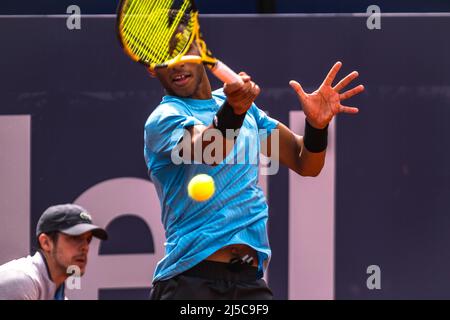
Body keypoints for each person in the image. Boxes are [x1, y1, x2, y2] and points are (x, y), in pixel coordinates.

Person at [144, 23, 364, 300]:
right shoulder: (163, 119)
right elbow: (210, 149)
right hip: (190, 281)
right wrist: (234, 110)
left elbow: (305, 162)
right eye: (164, 58)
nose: (176, 64)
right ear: (152, 69)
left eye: (182, 49)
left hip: (248, 280)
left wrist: (317, 126)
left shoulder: (245, 111)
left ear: (199, 48)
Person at [0, 204, 108, 300]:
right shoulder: (20, 281)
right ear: (46, 243)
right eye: (75, 238)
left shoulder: (56, 294)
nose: (85, 247)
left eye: (88, 239)